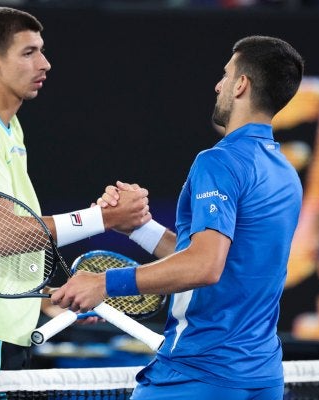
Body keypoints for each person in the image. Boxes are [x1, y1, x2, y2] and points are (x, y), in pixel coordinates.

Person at [51, 35, 304, 399]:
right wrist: (139, 229)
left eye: (226, 74)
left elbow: (204, 266)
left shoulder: (218, 162)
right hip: (261, 377)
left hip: (196, 374)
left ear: (242, 85)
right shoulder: (285, 173)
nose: (218, 85)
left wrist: (104, 283)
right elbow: (219, 263)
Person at [0, 7, 151, 372]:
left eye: (42, 51)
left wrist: (48, 302)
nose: (44, 63)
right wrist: (104, 218)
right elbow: (6, 234)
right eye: (28, 52)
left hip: (7, 331)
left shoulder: (10, 129)